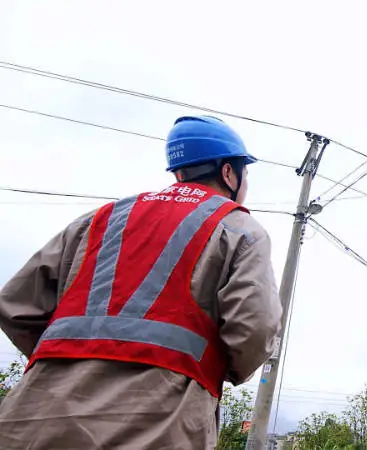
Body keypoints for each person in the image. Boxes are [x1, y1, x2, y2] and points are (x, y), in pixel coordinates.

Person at [0, 115, 282, 449]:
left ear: (179, 172)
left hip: (36, 415)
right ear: (228, 173)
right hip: (161, 419)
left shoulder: (98, 219)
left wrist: (71, 363)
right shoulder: (240, 230)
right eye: (244, 173)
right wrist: (222, 371)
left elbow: (15, 305)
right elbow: (255, 328)